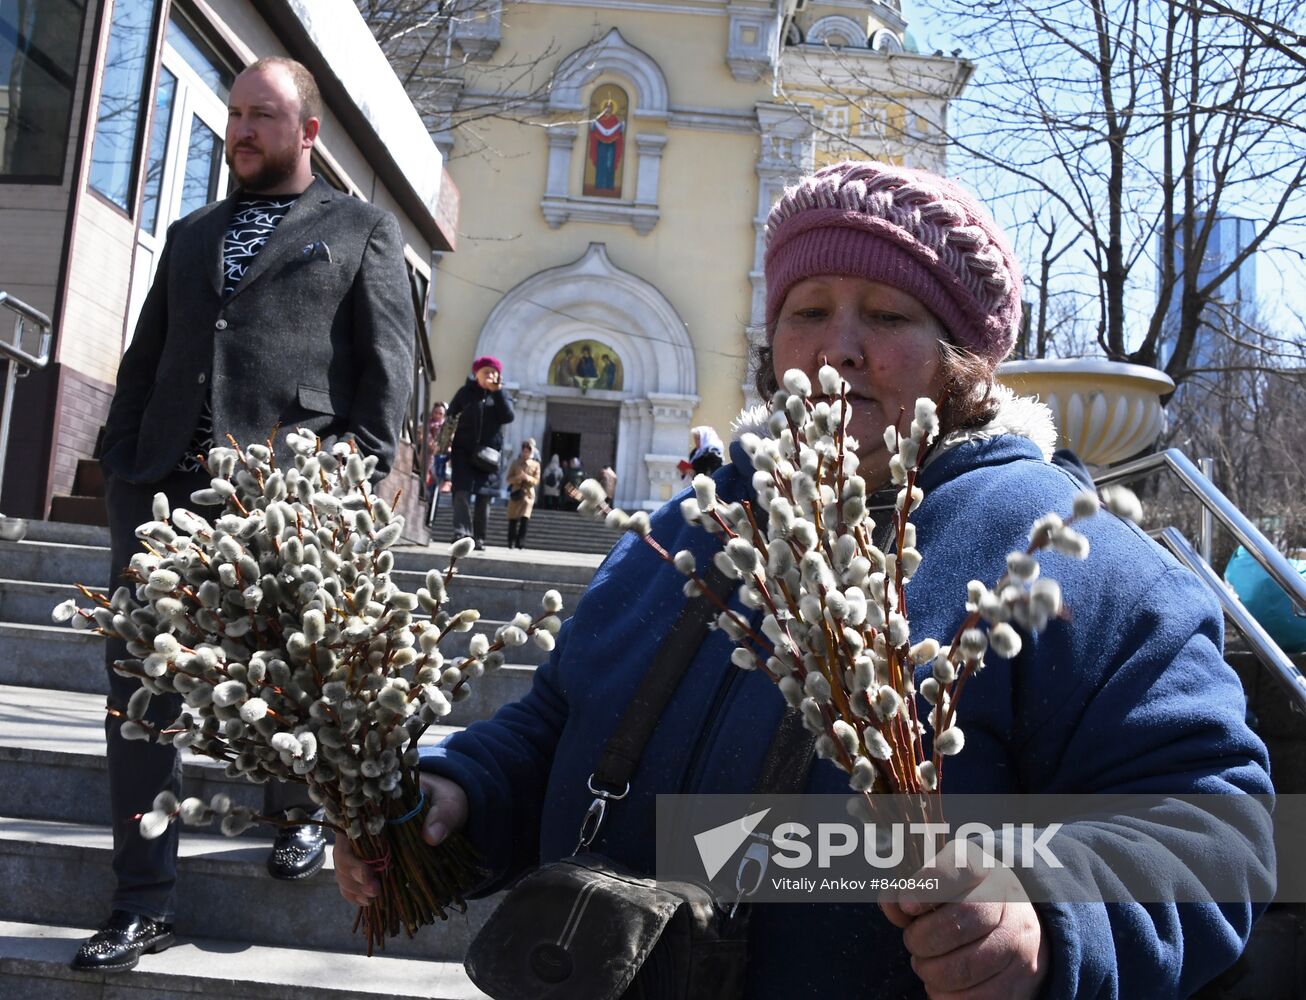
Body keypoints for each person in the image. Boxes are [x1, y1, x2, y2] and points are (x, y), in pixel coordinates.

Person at [335, 160, 1272, 997]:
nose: (839, 347)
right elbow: (556, 722)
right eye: (809, 311)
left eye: (891, 315)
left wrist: (1047, 915)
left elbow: (1217, 832)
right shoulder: (686, 532)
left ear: (969, 362)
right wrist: (458, 798)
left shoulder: (1074, 557)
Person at [87, 57, 415, 972]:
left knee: (286, 670)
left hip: (282, 495)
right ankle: (142, 900)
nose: (241, 131)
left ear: (308, 132)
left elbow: (385, 370)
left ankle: (298, 812)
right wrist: (122, 460)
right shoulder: (192, 233)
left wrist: (351, 475)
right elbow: (146, 359)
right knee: (138, 701)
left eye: (262, 117)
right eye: (234, 115)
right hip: (161, 489)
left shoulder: (358, 229)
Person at [447, 356, 514, 550]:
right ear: (476, 373)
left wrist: (498, 393)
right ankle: (462, 534)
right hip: (463, 452)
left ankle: (479, 538)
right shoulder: (465, 393)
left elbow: (508, 416)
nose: (491, 375)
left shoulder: (502, 394)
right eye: (487, 372)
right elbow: (451, 415)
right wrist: (444, 444)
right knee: (461, 491)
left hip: (489, 455)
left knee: (484, 497)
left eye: (494, 372)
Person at [505, 439, 541, 549]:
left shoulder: (535, 465)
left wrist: (527, 478)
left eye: (528, 452)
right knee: (513, 518)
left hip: (528, 494)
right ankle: (511, 541)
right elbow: (508, 479)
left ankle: (520, 542)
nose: (525, 454)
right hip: (516, 492)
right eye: (524, 451)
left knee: (525, 518)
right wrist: (518, 478)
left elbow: (537, 480)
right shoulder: (516, 463)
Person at [424, 401, 450, 500]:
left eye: (441, 414)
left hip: (442, 459)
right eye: (436, 412)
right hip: (428, 458)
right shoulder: (427, 425)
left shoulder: (446, 428)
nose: (438, 415)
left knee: (437, 484)